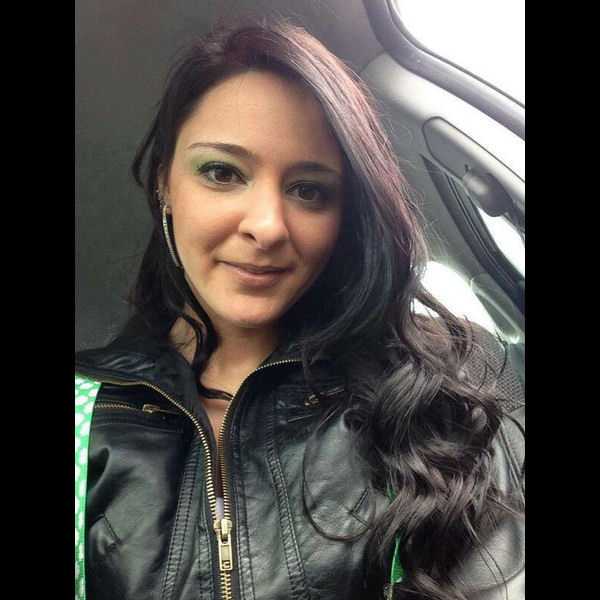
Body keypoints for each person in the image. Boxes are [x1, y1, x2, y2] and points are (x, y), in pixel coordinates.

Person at [75, 20, 524, 600]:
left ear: (343, 216)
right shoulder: (83, 410)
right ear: (165, 183)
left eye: (310, 190)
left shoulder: (432, 403)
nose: (267, 227)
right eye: (222, 173)